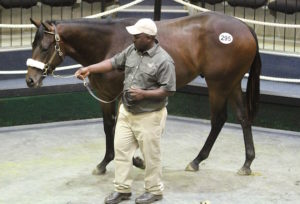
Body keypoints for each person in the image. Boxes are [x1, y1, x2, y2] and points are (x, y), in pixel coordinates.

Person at [75, 18, 176, 204]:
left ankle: (154, 191)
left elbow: (168, 90)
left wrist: (144, 95)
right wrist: (89, 69)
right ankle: (122, 190)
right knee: (121, 152)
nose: (133, 38)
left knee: (151, 156)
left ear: (148, 37)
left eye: (137, 36)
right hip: (126, 113)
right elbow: (113, 63)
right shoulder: (132, 50)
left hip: (150, 116)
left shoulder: (164, 60)